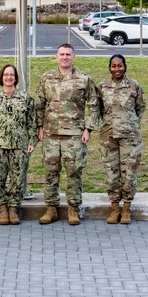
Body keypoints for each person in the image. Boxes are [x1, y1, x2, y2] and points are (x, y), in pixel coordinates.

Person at [35, 43, 100, 226]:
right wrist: (39, 126)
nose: (65, 57)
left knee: (74, 172)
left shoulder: (83, 79)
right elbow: (39, 104)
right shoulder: (47, 78)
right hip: (50, 134)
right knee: (50, 172)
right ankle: (51, 208)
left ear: (74, 57)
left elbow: (93, 104)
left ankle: (73, 208)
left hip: (74, 135)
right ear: (56, 57)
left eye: (68, 54)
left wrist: (88, 129)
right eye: (61, 54)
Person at [0, 64, 37, 226]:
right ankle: (2, 208)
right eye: (6, 75)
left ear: (16, 78)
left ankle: (13, 208)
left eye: (12, 75)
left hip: (20, 145)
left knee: (18, 179)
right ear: (1, 77)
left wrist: (32, 141)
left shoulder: (25, 98)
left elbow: (31, 121)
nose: (9, 77)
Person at [96, 54, 146, 224]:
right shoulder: (102, 86)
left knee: (129, 174)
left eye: (120, 66)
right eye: (113, 66)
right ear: (109, 67)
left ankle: (126, 209)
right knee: (111, 174)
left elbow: (141, 107)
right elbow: (98, 109)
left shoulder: (134, 86)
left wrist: (130, 124)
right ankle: (114, 208)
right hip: (108, 137)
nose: (117, 69)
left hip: (130, 137)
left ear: (125, 67)